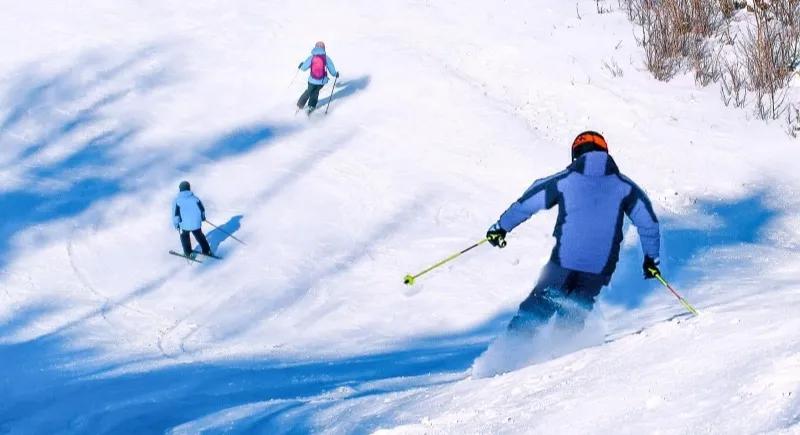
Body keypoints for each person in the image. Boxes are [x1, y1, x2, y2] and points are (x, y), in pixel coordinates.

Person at [486, 131, 661, 332]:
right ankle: (565, 353)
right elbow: (648, 223)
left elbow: (528, 203)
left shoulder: (564, 180)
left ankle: (513, 350)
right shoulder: (626, 187)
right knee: (573, 314)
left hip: (564, 261)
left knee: (539, 307)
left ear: (576, 154)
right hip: (600, 266)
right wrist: (651, 259)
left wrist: (502, 227)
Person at [296, 41, 339, 115]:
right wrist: (335, 74)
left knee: (308, 91)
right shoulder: (326, 58)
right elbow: (331, 69)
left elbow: (304, 68)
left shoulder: (312, 57)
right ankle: (311, 106)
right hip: (321, 81)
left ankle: (300, 104)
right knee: (315, 93)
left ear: (315, 47)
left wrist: (301, 66)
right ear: (324, 48)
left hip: (312, 80)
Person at [173, 181, 212, 258]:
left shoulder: (177, 201)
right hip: (196, 223)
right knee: (199, 235)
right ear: (189, 188)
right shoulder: (195, 199)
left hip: (184, 224)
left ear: (180, 189)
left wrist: (176, 224)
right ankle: (207, 250)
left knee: (184, 236)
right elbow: (202, 210)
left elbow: (175, 215)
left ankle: (188, 253)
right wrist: (203, 217)